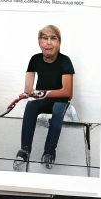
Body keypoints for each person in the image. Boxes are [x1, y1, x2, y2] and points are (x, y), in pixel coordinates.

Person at [10, 24, 74, 166]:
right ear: (39, 41)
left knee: (58, 109)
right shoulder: (35, 59)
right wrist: (25, 94)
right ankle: (25, 150)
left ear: (59, 42)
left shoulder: (65, 61)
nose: (48, 42)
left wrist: (42, 93)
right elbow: (28, 89)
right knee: (31, 105)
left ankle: (49, 152)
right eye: (45, 38)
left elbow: (68, 93)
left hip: (60, 101)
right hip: (44, 100)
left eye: (53, 38)